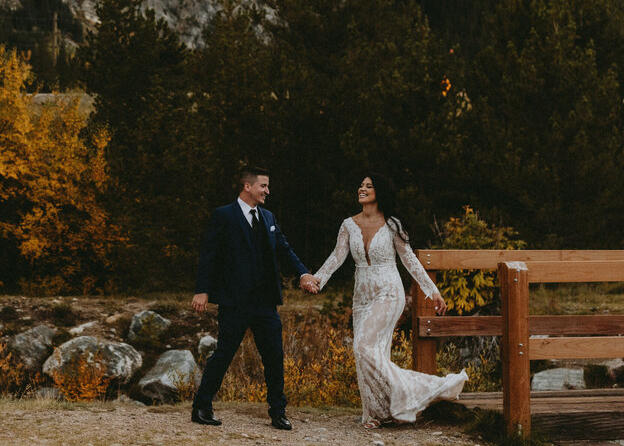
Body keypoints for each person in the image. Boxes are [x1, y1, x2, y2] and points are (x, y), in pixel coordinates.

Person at [309, 173, 467, 429]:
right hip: (362, 294)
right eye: (360, 185)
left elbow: (410, 261)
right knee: (371, 353)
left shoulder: (393, 224)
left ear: (379, 192)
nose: (362, 188)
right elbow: (336, 257)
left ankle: (421, 390)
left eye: (368, 186)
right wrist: (317, 280)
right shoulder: (348, 224)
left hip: (389, 291)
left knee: (362, 346)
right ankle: (377, 413)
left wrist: (433, 291)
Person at [190, 165, 319, 429]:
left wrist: (303, 273)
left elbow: (284, 249)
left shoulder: (269, 218)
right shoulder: (224, 215)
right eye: (263, 186)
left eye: (267, 186)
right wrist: (202, 290)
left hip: (265, 303)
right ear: (247, 186)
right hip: (234, 301)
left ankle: (278, 412)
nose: (267, 191)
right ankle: (201, 407)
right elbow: (209, 256)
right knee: (224, 353)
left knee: (273, 356)